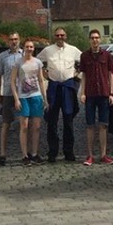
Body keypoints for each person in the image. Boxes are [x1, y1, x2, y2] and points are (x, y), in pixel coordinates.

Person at [38, 26, 82, 162]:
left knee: (68, 120)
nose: (60, 38)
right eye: (57, 35)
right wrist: (43, 72)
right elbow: (38, 62)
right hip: (54, 86)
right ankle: (53, 152)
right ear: (54, 37)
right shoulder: (48, 50)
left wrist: (78, 74)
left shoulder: (73, 50)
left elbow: (84, 61)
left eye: (62, 35)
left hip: (68, 86)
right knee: (52, 120)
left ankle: (69, 151)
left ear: (66, 36)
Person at [79, 29, 113, 165]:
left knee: (103, 125)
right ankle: (90, 155)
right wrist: (82, 93)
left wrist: (111, 93)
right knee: (90, 125)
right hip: (90, 94)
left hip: (104, 93)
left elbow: (111, 74)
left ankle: (103, 155)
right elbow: (83, 75)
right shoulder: (85, 56)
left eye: (97, 38)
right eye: (92, 38)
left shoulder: (106, 55)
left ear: (100, 40)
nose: (95, 40)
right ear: (90, 40)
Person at [11, 40, 47, 164]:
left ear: (34, 48)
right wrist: (16, 99)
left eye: (31, 47)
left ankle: (35, 153)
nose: (29, 49)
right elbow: (12, 82)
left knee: (36, 127)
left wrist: (45, 98)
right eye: (27, 46)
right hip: (23, 97)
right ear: (24, 48)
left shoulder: (38, 63)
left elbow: (41, 80)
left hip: (36, 96)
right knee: (24, 126)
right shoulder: (18, 63)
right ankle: (25, 155)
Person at [0, 32, 23, 166]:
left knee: (24, 124)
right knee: (6, 123)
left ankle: (25, 154)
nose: (14, 41)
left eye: (16, 39)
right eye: (11, 39)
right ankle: (2, 153)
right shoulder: (2, 56)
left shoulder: (25, 55)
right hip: (7, 94)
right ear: (8, 41)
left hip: (23, 94)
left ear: (19, 40)